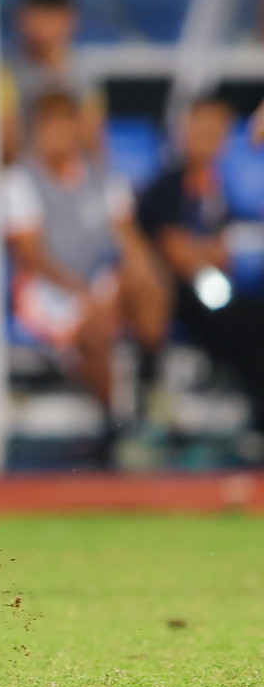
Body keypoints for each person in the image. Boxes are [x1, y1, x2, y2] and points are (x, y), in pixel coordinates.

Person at [3, 91, 169, 460]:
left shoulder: (101, 178)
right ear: (38, 129)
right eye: (52, 124)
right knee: (92, 325)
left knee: (146, 285)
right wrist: (82, 292)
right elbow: (31, 255)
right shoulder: (21, 181)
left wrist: (143, 272)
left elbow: (128, 238)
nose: (61, 133)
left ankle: (149, 392)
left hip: (95, 279)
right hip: (47, 288)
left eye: (67, 123)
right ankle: (116, 423)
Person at [137, 97, 264, 455]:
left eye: (215, 131)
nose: (206, 139)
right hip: (186, 293)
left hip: (238, 287)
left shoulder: (234, 186)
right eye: (199, 129)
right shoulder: (166, 187)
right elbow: (176, 249)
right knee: (243, 323)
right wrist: (220, 250)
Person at [0, 0, 105, 160]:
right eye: (39, 15)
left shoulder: (83, 75)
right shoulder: (5, 72)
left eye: (51, 15)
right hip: (23, 174)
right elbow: (6, 140)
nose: (44, 26)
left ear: (70, 19)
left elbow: (93, 139)